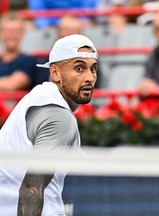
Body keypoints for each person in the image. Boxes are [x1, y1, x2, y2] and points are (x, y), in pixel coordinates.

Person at [0, 34, 98, 215]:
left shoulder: (36, 99)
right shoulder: (58, 117)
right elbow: (31, 190)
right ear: (55, 73)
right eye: (79, 68)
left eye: (93, 69)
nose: (89, 78)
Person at [0, 12, 38, 90]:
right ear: (1, 33)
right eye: (8, 31)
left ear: (22, 33)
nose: (11, 35)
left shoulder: (29, 62)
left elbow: (12, 85)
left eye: (15, 31)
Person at [28, 0, 97, 29]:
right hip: (51, 25)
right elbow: (38, 11)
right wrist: (46, 25)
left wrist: (80, 21)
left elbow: (87, 9)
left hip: (78, 22)